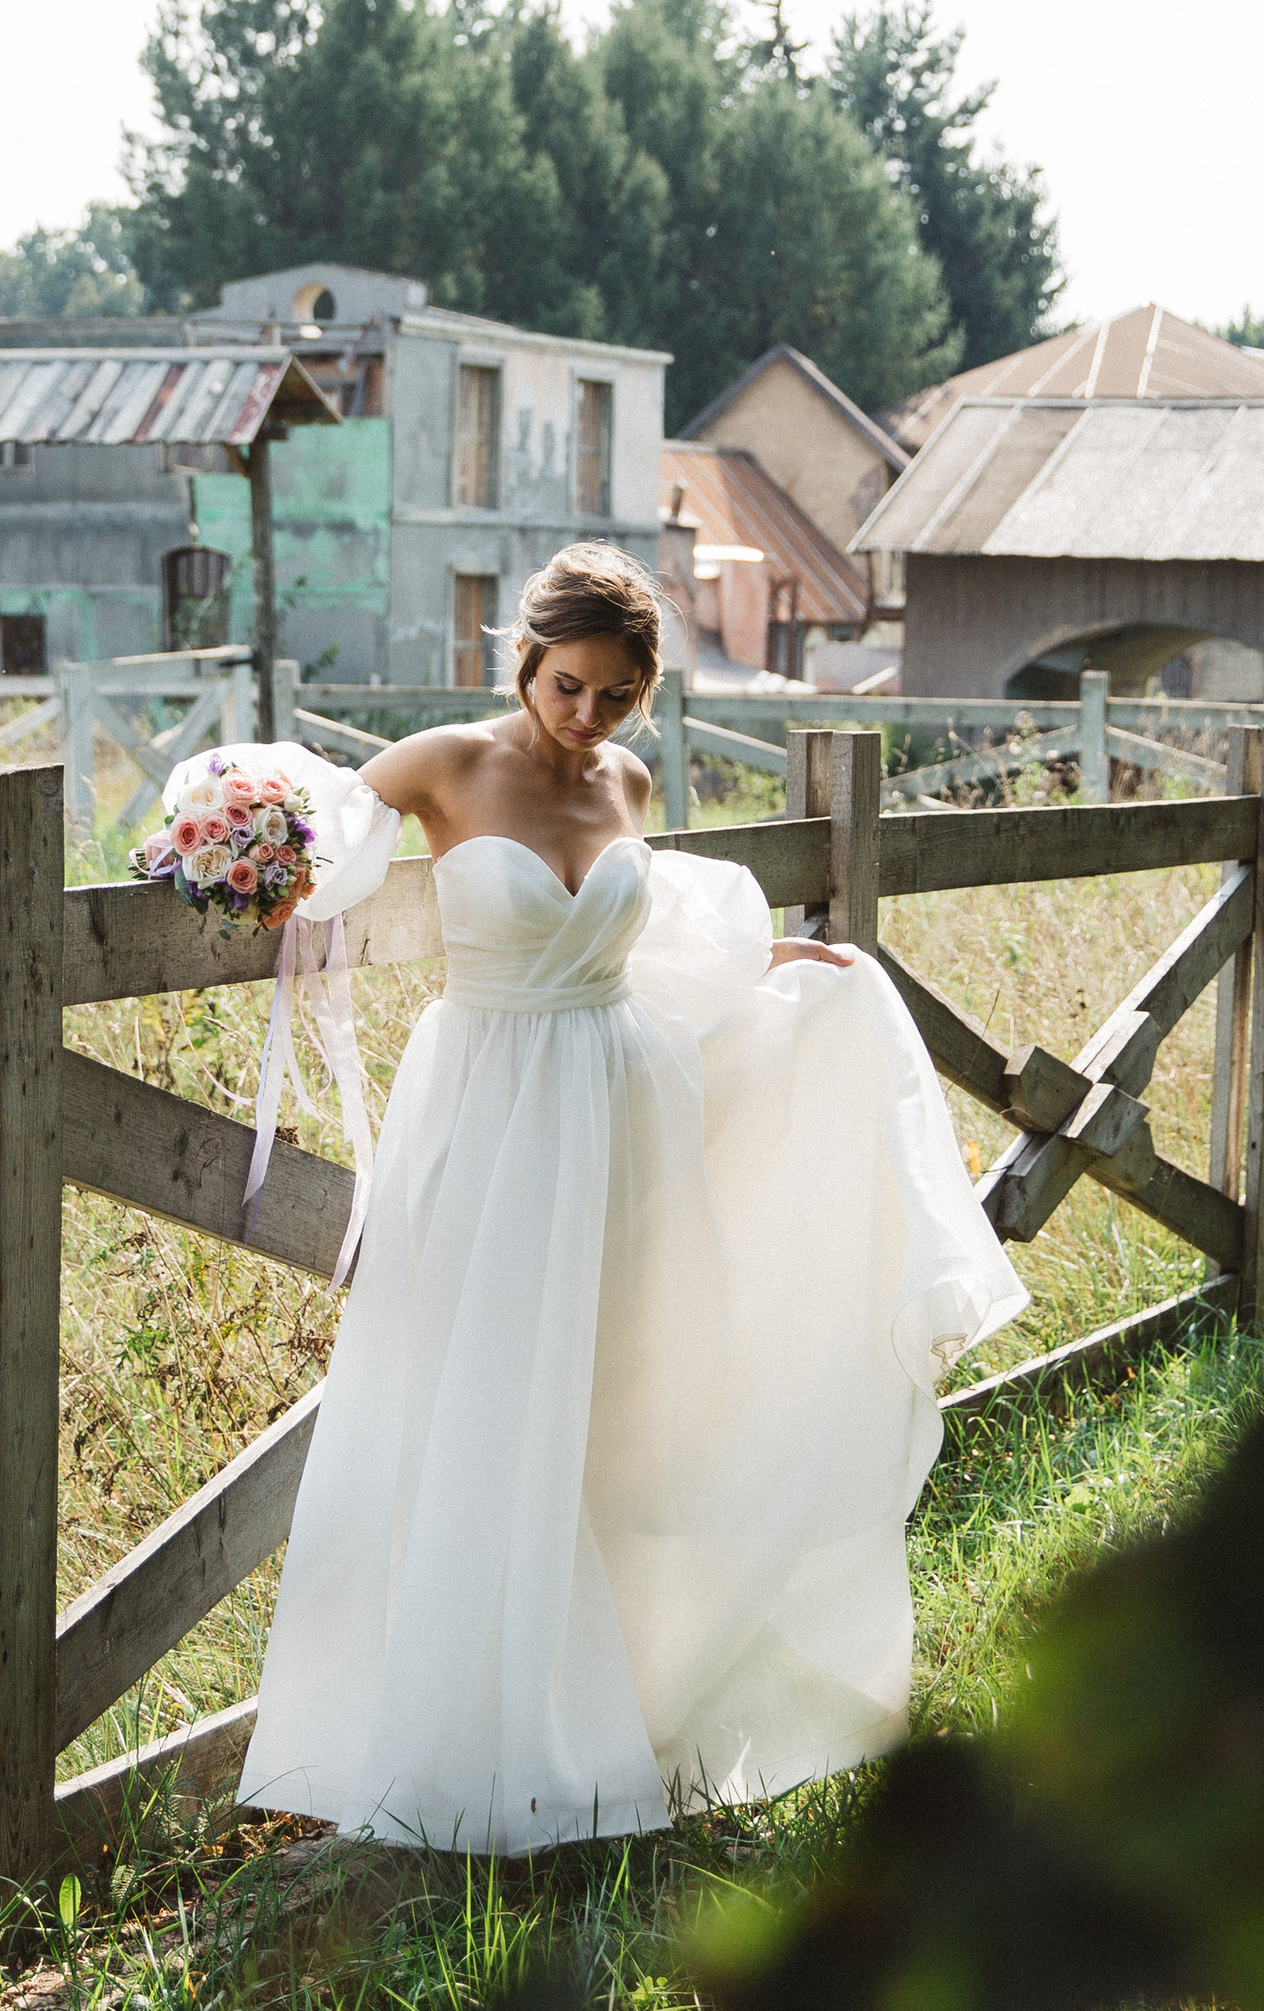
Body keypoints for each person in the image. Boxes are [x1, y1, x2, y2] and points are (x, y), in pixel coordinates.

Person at [232, 542, 1026, 1855]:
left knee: (622, 1405)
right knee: (474, 1401)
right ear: (525, 664)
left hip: (619, 1110)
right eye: (567, 688)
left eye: (615, 697)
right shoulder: (445, 762)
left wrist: (785, 961)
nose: (586, 718)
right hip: (487, 1114)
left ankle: (617, 1710)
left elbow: (648, 932)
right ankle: (459, 1738)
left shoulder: (629, 783)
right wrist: (236, 844)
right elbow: (324, 833)